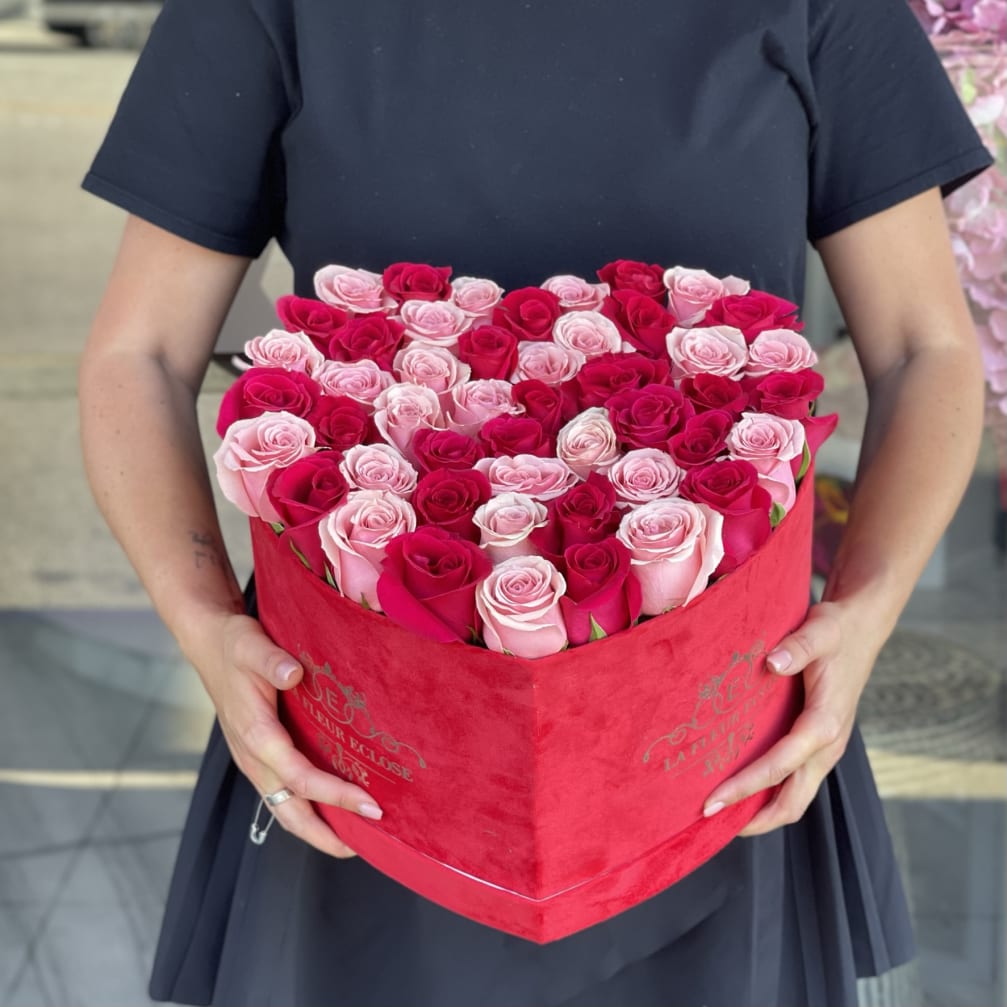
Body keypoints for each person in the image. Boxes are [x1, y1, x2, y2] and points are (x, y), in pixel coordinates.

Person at [78, 0, 992, 1004]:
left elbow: (922, 350)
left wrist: (859, 617)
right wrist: (206, 624)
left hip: (712, 740)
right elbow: (141, 354)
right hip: (366, 747)